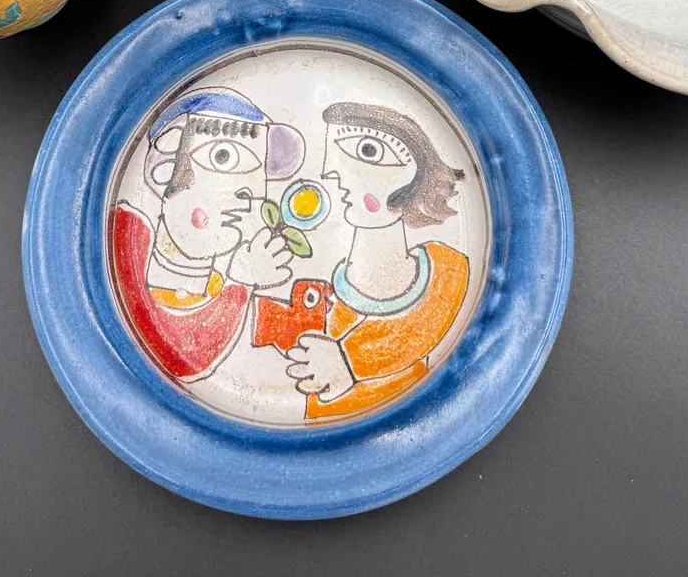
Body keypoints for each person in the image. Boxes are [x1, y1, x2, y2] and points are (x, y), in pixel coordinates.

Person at [281, 101, 469, 418]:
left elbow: (423, 322)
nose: (331, 171)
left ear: (416, 176)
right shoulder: (321, 297)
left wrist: (349, 360)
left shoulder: (447, 270)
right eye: (332, 152)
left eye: (367, 151)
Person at [112, 87, 305, 382]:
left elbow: (193, 361)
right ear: (165, 168)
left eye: (258, 174)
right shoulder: (124, 230)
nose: (248, 192)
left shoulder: (223, 296)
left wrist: (244, 279)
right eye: (222, 156)